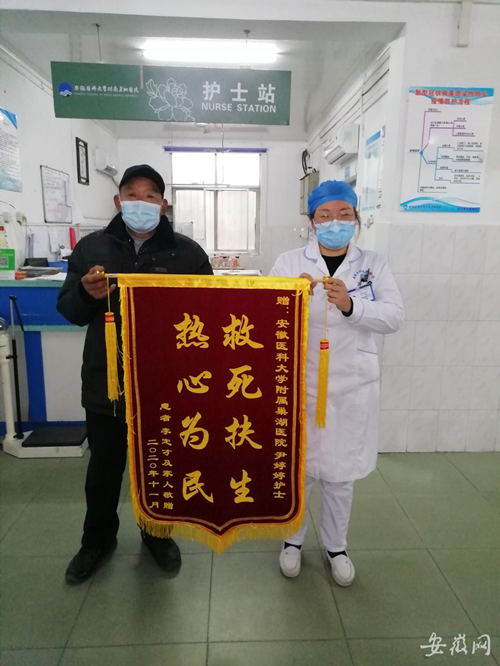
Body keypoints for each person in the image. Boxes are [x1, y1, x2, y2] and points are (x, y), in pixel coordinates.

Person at [57, 164, 213, 584]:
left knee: (159, 465)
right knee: (104, 471)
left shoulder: (187, 254)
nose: (140, 202)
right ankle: (97, 541)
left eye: (150, 196)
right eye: (131, 194)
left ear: (163, 205)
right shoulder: (92, 248)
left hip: (165, 385)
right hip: (106, 380)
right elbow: (68, 310)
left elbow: (210, 316)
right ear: (118, 200)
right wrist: (86, 295)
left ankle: (157, 535)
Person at [269, 180, 403, 586]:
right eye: (325, 216)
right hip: (301, 382)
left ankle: (336, 547)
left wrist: (351, 305)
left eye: (344, 215)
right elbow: (265, 316)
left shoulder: (373, 264)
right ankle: (292, 540)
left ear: (356, 218)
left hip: (350, 384)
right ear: (312, 221)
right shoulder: (290, 262)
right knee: (299, 469)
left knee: (340, 474)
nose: (334, 223)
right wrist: (291, 296)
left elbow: (394, 317)